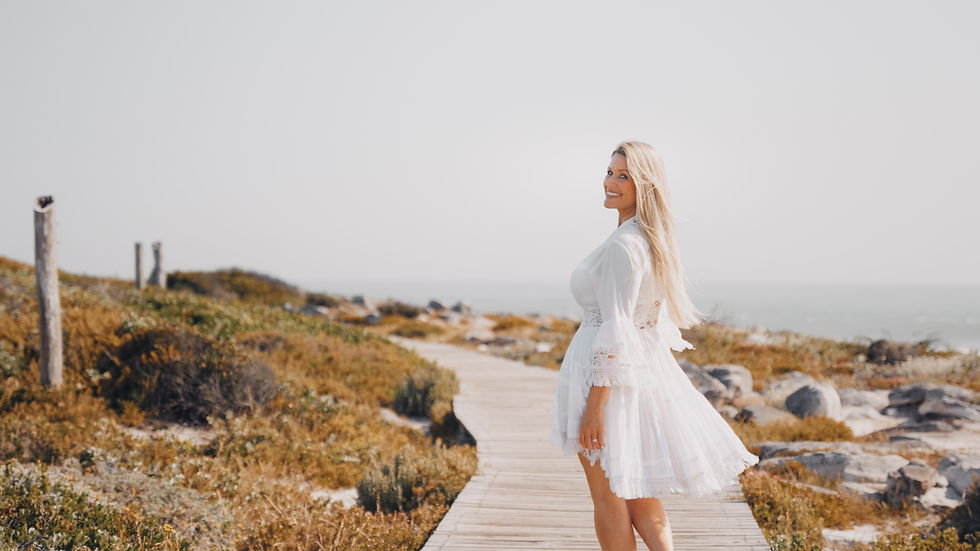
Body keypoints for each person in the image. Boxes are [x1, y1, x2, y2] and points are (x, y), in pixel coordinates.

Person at [550, 141, 760, 551]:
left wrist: (595, 408)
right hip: (629, 381)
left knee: (608, 497)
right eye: (610, 171)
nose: (611, 182)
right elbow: (646, 325)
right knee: (638, 495)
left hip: (606, 388)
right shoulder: (644, 239)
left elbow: (618, 329)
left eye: (623, 175)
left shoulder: (626, 246)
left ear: (644, 185)